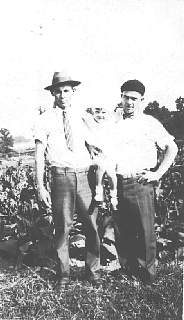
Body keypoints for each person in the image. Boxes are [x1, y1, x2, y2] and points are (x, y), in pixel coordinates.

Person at [34, 71, 101, 288]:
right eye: (58, 91)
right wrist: (40, 186)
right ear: (53, 93)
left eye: (66, 91)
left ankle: (93, 272)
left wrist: (100, 180)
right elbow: (38, 155)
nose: (62, 95)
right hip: (60, 177)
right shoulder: (44, 120)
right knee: (62, 227)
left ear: (73, 92)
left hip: (84, 176)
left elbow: (95, 146)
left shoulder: (83, 116)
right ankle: (63, 275)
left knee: (91, 225)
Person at [113, 79, 178, 285]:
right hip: (118, 182)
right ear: (120, 97)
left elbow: (172, 148)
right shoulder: (114, 123)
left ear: (141, 100)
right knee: (123, 228)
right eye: (126, 97)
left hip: (141, 182)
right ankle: (128, 270)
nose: (129, 102)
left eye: (134, 99)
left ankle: (147, 275)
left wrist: (157, 174)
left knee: (144, 229)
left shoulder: (149, 123)